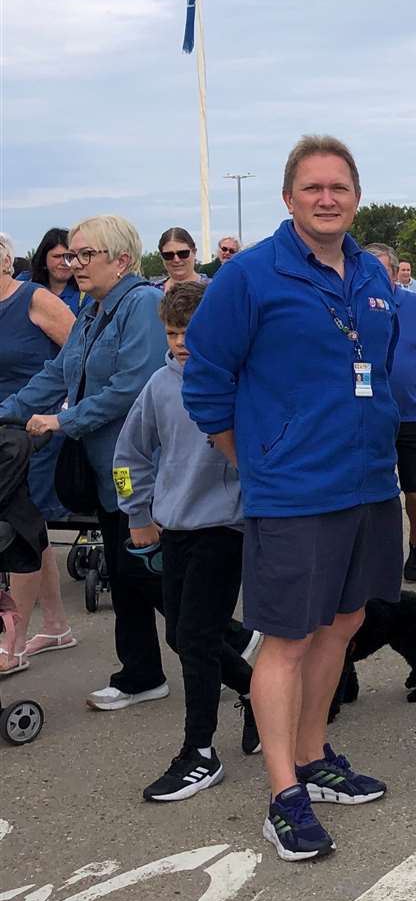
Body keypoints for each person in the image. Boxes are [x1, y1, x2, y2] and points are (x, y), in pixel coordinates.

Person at [184, 135, 401, 862]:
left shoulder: (372, 272)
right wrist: (259, 461)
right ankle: (283, 793)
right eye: (313, 187)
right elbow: (206, 384)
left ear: (356, 197)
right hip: (294, 494)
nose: (327, 198)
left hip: (369, 482)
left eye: (340, 186)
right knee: (287, 639)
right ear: (288, 197)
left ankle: (313, 756)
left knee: (342, 626)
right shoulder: (249, 277)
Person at [1, 215, 169, 706]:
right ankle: (141, 673)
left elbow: (131, 386)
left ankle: (234, 645)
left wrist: (62, 423)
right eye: (72, 255)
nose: (75, 264)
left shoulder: (143, 305)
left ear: (121, 259)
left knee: (150, 574)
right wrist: (8, 413)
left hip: (140, 467)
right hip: (106, 470)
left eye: (85, 255)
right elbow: (57, 373)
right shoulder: (94, 310)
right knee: (127, 572)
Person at [115, 281, 258, 800]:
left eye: (191, 334)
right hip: (172, 528)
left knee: (195, 638)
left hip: (227, 527)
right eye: (173, 333)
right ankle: (256, 692)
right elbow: (128, 456)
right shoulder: (158, 385)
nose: (181, 344)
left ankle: (199, 751)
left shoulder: (244, 381)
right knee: (180, 633)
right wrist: (136, 514)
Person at [0, 232, 77, 676]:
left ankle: (15, 641)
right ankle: (56, 624)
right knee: (32, 529)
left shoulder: (34, 299)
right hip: (1, 432)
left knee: (19, 527)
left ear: (7, 260)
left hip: (34, 431)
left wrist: (65, 412)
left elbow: (79, 354)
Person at [364, 243, 416, 582]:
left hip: (411, 415)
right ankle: (377, 556)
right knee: (373, 495)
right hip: (367, 417)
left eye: (382, 272)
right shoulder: (350, 306)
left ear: (395, 274)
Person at [27, 228, 85, 314]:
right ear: (43, 258)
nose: (64, 263)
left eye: (69, 256)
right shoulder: (25, 284)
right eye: (57, 256)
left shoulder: (87, 292)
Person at [158, 227, 208, 293]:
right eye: (169, 255)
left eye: (183, 253)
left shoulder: (214, 288)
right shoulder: (152, 293)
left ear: (194, 252)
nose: (176, 260)